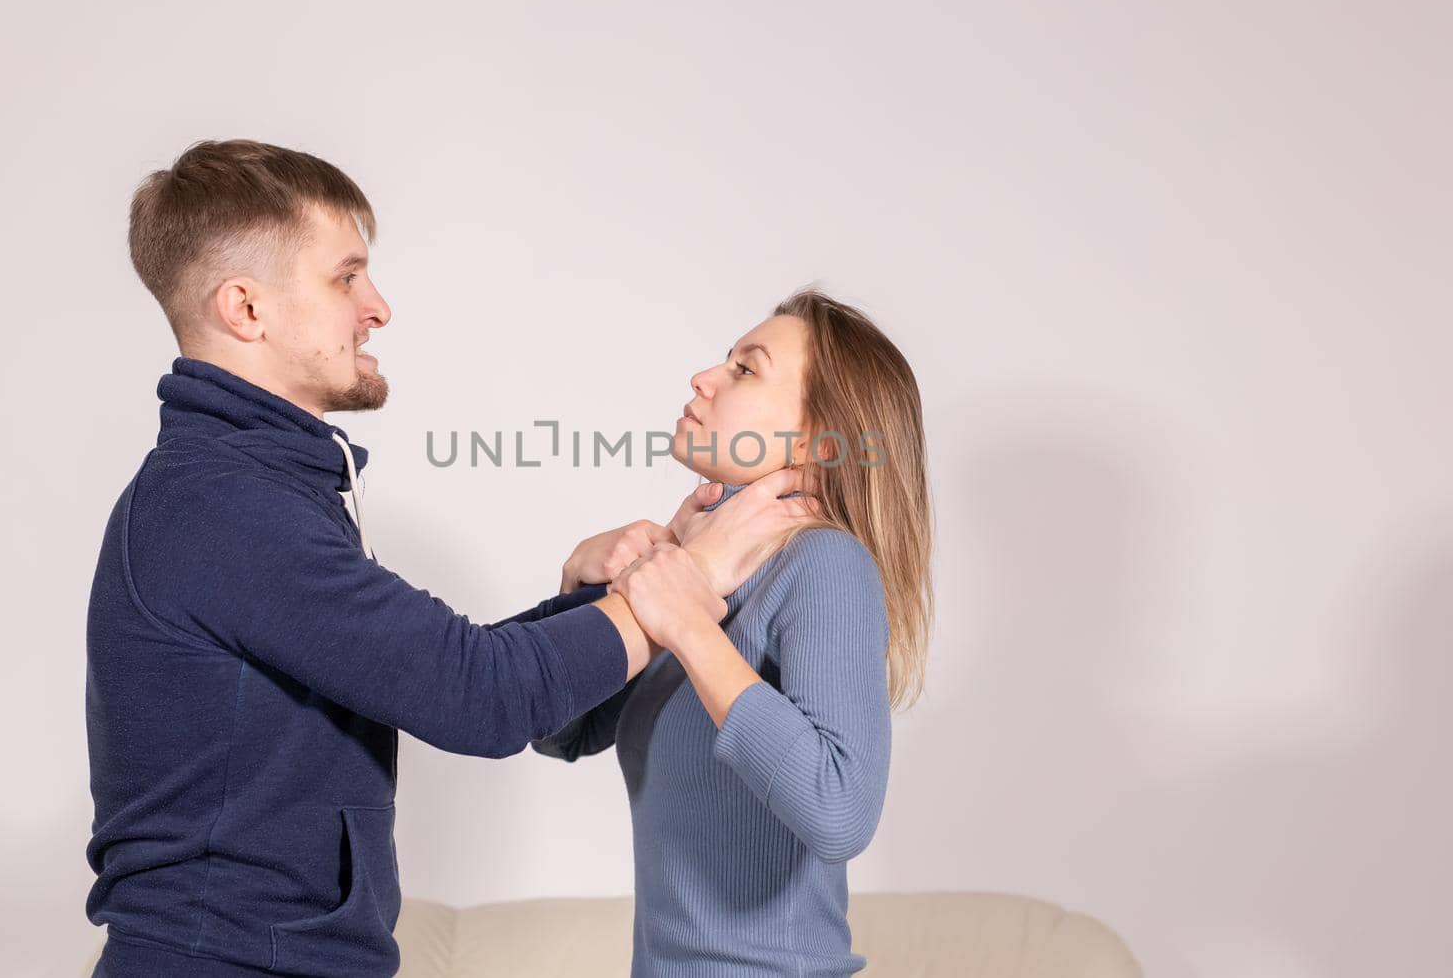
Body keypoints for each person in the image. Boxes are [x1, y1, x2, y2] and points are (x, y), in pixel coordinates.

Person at [84, 138, 816, 978]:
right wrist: (680, 585)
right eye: (345, 277)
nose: (378, 306)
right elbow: (479, 696)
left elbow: (440, 667)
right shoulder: (223, 504)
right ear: (246, 309)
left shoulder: (253, 488)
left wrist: (599, 595)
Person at [536, 287, 936, 977]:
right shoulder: (700, 571)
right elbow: (559, 733)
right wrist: (583, 586)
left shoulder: (823, 562)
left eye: (746, 369)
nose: (704, 377)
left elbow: (840, 811)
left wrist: (689, 625)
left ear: (817, 438)